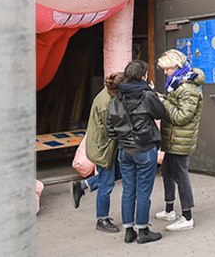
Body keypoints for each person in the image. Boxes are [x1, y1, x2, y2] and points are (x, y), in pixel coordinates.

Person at [108, 59, 167, 244]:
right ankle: (143, 231)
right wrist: (153, 93)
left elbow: (110, 128)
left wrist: (123, 140)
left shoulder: (116, 98)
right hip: (144, 148)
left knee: (128, 190)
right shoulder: (146, 95)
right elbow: (161, 113)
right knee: (143, 191)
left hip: (124, 150)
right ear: (142, 76)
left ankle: (128, 231)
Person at [152, 50, 203, 232]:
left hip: (181, 139)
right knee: (167, 172)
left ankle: (187, 217)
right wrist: (164, 98)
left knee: (181, 176)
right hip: (173, 138)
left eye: (168, 69)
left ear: (178, 66)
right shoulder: (178, 83)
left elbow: (182, 117)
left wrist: (163, 102)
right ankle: (169, 209)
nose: (165, 72)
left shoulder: (189, 88)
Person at [72, 72, 124, 233]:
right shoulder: (107, 104)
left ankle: (84, 185)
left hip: (103, 145)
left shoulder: (107, 92)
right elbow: (114, 129)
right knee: (106, 184)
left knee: (120, 172)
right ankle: (102, 219)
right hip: (103, 148)